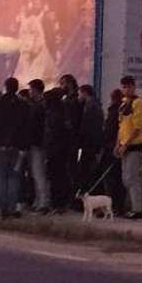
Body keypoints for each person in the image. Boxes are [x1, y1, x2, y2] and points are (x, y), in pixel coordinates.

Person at [0, 78, 28, 218]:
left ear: (5, 87)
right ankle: (12, 205)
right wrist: (23, 146)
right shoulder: (22, 104)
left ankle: (0, 205)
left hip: (2, 145)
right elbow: (24, 127)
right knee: (14, 176)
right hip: (16, 145)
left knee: (2, 175)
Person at [115, 76, 142, 220]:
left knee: (132, 178)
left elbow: (137, 127)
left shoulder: (138, 103)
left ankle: (137, 209)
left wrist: (126, 144)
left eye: (128, 86)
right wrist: (118, 144)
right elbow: (121, 126)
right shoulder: (122, 103)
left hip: (135, 146)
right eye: (124, 87)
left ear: (134, 86)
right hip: (123, 145)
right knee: (125, 179)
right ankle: (130, 206)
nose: (126, 89)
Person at [44, 88, 71, 214]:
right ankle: (61, 203)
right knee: (61, 176)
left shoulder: (53, 114)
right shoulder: (63, 111)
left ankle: (57, 203)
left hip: (54, 150)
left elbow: (51, 133)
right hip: (63, 149)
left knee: (55, 177)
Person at [26, 79, 50, 213]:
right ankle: (38, 200)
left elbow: (38, 126)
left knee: (39, 173)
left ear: (35, 90)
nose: (29, 92)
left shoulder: (41, 105)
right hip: (34, 143)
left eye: (31, 89)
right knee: (35, 173)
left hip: (38, 143)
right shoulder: (37, 105)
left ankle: (43, 202)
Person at [101, 89, 126, 215]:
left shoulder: (114, 111)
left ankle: (112, 207)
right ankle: (118, 206)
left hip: (111, 147)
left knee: (110, 178)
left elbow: (110, 130)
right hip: (117, 146)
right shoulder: (122, 110)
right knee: (118, 178)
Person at [76, 84, 104, 195]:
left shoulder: (91, 106)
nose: (79, 96)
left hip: (90, 142)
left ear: (84, 92)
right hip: (91, 142)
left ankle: (90, 192)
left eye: (80, 93)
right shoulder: (93, 105)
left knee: (88, 168)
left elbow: (90, 126)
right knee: (88, 168)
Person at [59, 74, 82, 206]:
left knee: (71, 169)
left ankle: (73, 198)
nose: (61, 87)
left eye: (63, 84)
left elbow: (72, 120)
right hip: (67, 140)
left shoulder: (73, 100)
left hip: (71, 140)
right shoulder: (67, 99)